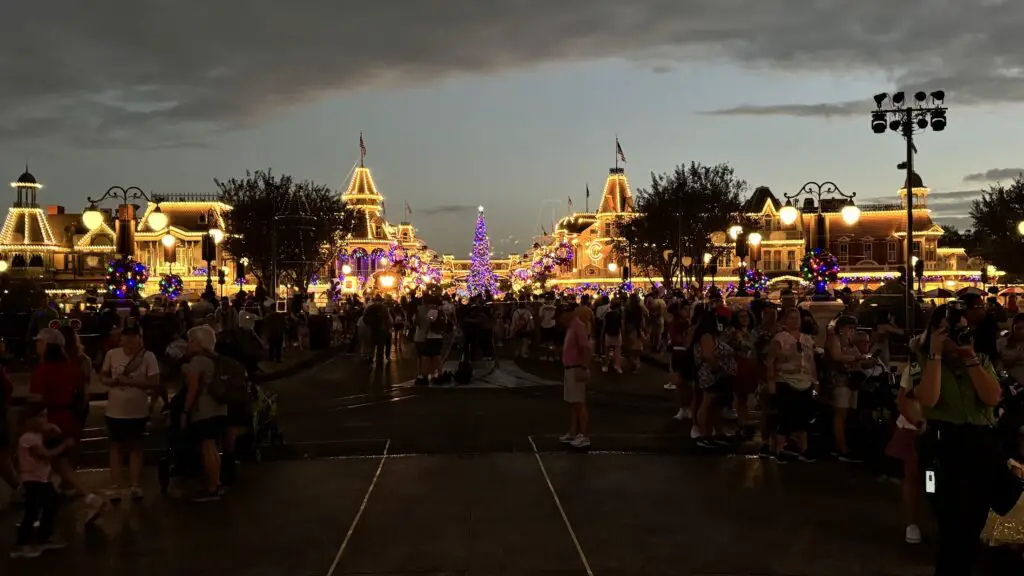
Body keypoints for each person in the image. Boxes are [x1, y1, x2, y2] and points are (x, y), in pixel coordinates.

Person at [911, 303, 1005, 575]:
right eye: (949, 331)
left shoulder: (981, 359)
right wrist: (936, 356)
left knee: (975, 521)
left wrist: (970, 357)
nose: (957, 336)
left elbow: (992, 398)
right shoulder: (922, 359)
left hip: (981, 443)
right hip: (945, 445)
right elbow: (928, 398)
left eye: (962, 330)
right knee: (951, 523)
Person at [100, 324, 160, 500]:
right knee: (115, 447)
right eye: (127, 337)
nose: (130, 341)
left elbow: (154, 382)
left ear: (140, 339)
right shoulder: (112, 355)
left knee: (136, 447)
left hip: (137, 410)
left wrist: (129, 382)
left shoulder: (148, 357)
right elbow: (103, 376)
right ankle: (115, 485)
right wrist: (110, 382)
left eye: (134, 337)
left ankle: (135, 484)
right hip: (115, 410)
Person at [12, 402, 69, 558]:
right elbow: (45, 454)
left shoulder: (36, 435)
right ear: (29, 419)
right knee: (33, 511)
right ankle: (21, 544)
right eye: (41, 416)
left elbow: (53, 432)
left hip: (42, 479)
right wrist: (64, 445)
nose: (45, 420)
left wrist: (53, 429)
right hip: (33, 480)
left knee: (52, 504)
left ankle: (44, 536)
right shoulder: (28, 437)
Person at [765, 307, 819, 463]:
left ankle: (804, 449)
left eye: (797, 318)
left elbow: (811, 362)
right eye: (791, 318)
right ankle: (780, 448)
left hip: (805, 381)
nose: (795, 321)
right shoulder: (780, 338)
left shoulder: (807, 339)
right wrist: (771, 381)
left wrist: (815, 382)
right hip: (786, 381)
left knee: (805, 417)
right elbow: (771, 360)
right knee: (785, 416)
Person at [182, 325, 228, 501]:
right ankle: (216, 483)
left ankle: (212, 487)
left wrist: (186, 410)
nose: (188, 345)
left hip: (204, 408)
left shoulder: (198, 361)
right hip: (220, 407)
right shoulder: (216, 359)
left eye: (191, 341)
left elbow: (193, 389)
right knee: (213, 447)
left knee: (207, 447)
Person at [693, 311, 736, 448]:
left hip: (715, 373)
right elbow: (707, 355)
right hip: (711, 374)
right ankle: (704, 434)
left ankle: (716, 432)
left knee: (715, 405)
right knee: (707, 403)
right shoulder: (707, 336)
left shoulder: (712, 336)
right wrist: (718, 368)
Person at [559, 304, 592, 448]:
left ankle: (584, 435)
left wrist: (584, 367)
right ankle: (573, 432)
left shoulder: (578, 326)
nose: (560, 320)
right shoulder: (572, 327)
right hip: (570, 368)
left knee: (578, 403)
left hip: (576, 368)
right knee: (573, 403)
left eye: (561, 316)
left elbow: (586, 348)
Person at [602, 299, 624, 374]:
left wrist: (602, 334)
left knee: (607, 351)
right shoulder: (619, 314)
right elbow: (622, 325)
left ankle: (605, 366)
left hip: (608, 333)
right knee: (617, 352)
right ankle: (617, 366)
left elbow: (604, 325)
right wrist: (623, 334)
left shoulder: (607, 314)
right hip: (617, 334)